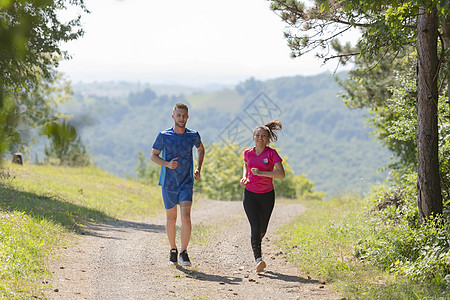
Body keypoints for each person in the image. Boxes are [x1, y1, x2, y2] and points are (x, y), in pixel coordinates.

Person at [151, 103, 205, 266]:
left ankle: (183, 252)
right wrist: (167, 164)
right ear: (173, 116)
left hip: (186, 183)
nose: (181, 118)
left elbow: (201, 149)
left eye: (184, 115)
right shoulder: (164, 135)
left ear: (187, 117)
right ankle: (173, 249)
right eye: (178, 115)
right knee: (171, 218)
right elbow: (154, 156)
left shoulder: (193, 135)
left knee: (186, 217)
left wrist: (198, 167)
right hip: (168, 183)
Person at [240, 120, 285, 273]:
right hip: (250, 194)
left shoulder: (271, 153)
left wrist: (262, 173)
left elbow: (281, 174)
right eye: (257, 135)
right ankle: (259, 259)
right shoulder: (248, 152)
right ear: (253, 137)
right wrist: (245, 177)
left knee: (262, 229)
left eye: (263, 136)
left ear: (268, 138)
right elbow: (246, 164)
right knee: (255, 226)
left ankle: (256, 244)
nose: (260, 138)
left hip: (267, 195)